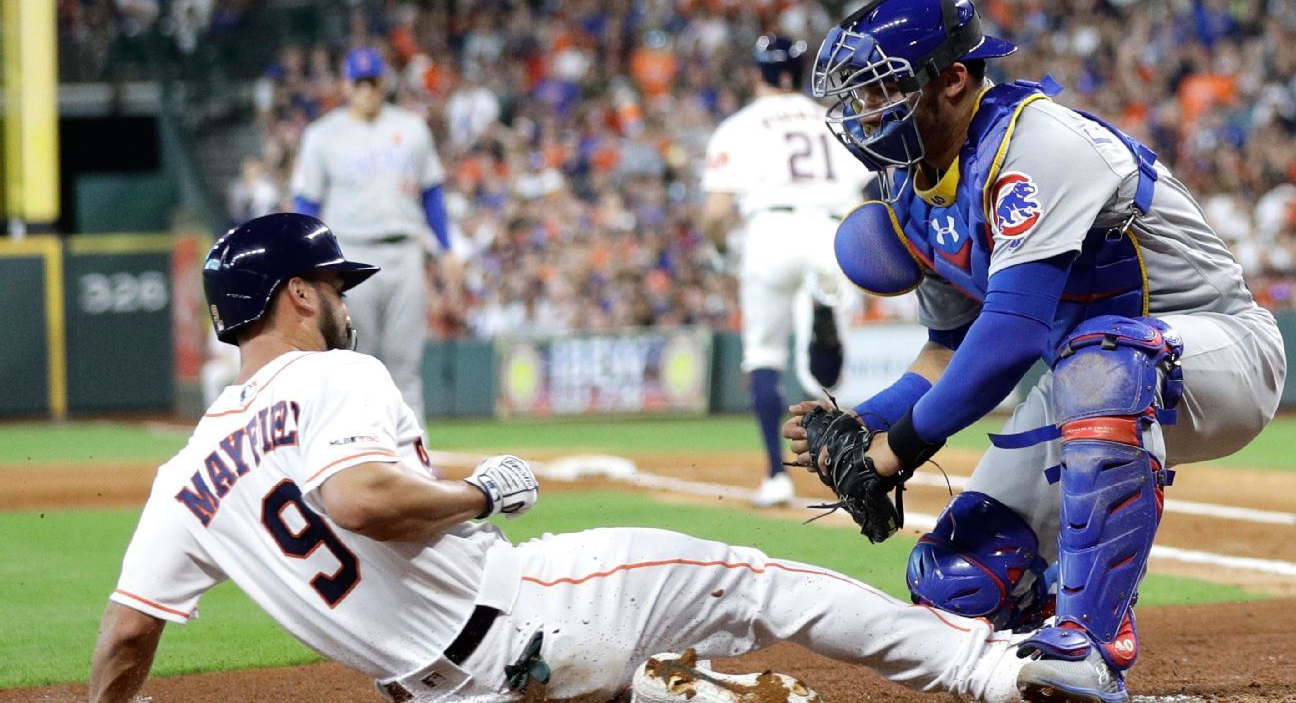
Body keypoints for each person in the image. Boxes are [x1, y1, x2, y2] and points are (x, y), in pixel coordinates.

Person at [88, 212, 1112, 703]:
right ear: (297, 297)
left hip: (442, 692)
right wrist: (472, 492)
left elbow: (126, 643)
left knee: (634, 680)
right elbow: (357, 497)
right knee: (757, 582)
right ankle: (991, 672)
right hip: (528, 611)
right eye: (331, 282)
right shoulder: (334, 378)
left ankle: (703, 694)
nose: (344, 298)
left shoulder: (183, 476)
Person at [786, 0, 1285, 703]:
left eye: (885, 89)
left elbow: (1012, 333)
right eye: (861, 97)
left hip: (1219, 352)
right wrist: (868, 420)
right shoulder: (910, 184)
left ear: (952, 79)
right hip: (1089, 373)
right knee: (959, 582)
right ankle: (1047, 619)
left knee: (1102, 358)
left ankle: (1090, 642)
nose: (867, 113)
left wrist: (897, 450)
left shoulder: (1035, 143)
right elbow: (948, 347)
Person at [701, 34, 875, 508]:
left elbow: (717, 212)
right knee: (828, 377)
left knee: (763, 356)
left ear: (757, 72)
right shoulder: (830, 119)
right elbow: (865, 194)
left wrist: (721, 251)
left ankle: (776, 475)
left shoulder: (740, 126)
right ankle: (823, 321)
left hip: (771, 232)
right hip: (831, 231)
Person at [290, 46, 450, 420]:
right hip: (350, 256)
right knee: (354, 361)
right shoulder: (323, 135)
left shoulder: (411, 128)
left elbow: (433, 192)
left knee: (405, 363)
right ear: (347, 85)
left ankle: (413, 458)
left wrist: (448, 249)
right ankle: (359, 456)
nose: (366, 90)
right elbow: (307, 202)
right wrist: (306, 259)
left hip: (404, 251)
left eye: (372, 82)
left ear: (384, 82)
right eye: (359, 83)